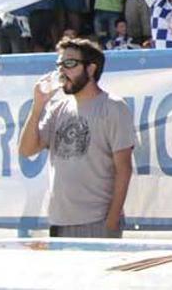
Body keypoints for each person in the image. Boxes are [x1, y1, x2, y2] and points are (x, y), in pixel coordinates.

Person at [17, 37, 135, 238]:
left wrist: (112, 220)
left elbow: (124, 168)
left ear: (90, 69)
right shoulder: (58, 108)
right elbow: (27, 150)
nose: (62, 71)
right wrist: (37, 107)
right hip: (58, 221)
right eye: (59, 64)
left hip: (96, 221)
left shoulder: (113, 107)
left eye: (69, 64)